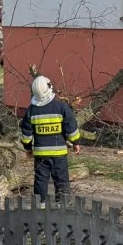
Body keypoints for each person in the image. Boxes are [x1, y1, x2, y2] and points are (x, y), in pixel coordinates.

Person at [19, 75, 81, 205]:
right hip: (59, 154)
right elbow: (71, 127)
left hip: (41, 155)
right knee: (61, 180)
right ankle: (61, 205)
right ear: (49, 88)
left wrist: (28, 148)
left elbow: (26, 134)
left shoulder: (31, 110)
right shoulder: (61, 107)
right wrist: (76, 142)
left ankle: (40, 205)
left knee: (41, 180)